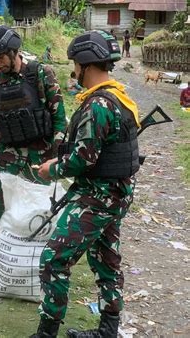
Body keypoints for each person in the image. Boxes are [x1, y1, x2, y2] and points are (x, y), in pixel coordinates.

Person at [32, 30, 140, 337]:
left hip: (99, 197)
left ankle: (46, 331)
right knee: (106, 261)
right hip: (114, 195)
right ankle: (108, 331)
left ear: (86, 64)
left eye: (75, 65)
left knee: (54, 259)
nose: (74, 71)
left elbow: (83, 160)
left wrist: (52, 168)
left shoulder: (98, 105)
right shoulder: (119, 96)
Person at [0, 25, 67, 291]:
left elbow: (59, 119)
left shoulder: (41, 74)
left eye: (1, 57)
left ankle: (40, 270)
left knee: (39, 212)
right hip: (7, 158)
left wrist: (55, 159)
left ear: (13, 51)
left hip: (38, 157)